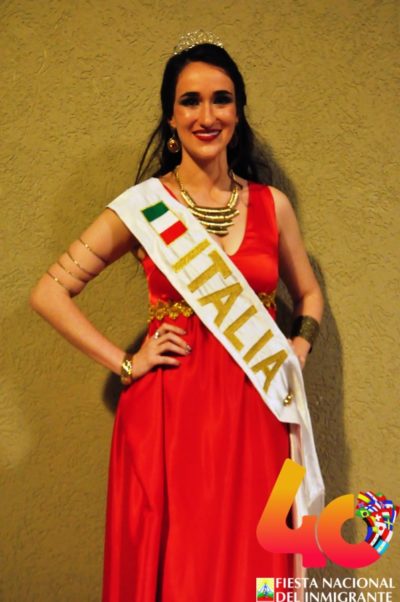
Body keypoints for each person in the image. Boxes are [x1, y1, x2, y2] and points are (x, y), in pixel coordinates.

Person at [30, 32, 324, 602]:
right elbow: (50, 293)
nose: (206, 116)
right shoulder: (144, 208)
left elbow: (309, 295)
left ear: (238, 110)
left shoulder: (273, 205)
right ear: (170, 116)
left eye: (221, 99)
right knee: (180, 565)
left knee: (255, 562)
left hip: (257, 409)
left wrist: (299, 348)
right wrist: (125, 362)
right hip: (168, 413)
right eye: (191, 101)